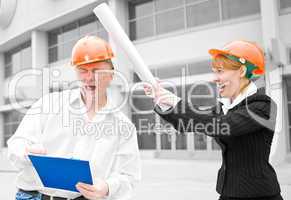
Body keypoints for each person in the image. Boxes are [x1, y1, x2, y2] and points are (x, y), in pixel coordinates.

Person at [144, 40, 283, 200]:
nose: (214, 79)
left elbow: (224, 125)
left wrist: (177, 102)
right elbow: (187, 124)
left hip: (259, 195)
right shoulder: (223, 107)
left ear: (242, 71)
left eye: (220, 71)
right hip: (228, 193)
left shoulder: (262, 105)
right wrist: (162, 99)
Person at [7, 35, 141, 200]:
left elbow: (129, 175)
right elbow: (16, 145)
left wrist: (107, 187)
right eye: (83, 70)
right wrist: (26, 151)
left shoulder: (123, 126)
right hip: (34, 196)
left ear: (111, 74)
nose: (89, 77)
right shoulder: (48, 105)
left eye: (97, 71)